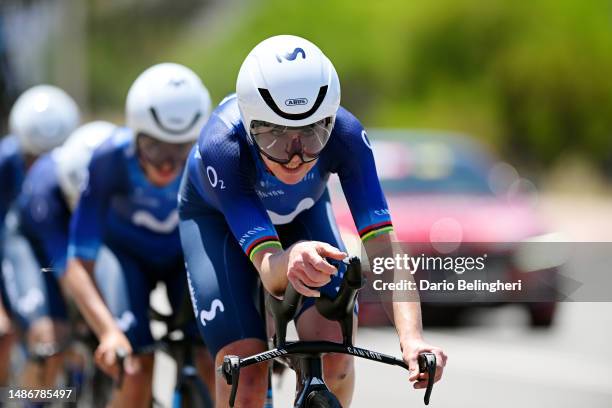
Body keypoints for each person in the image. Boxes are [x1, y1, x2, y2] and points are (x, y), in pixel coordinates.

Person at [178, 35, 448, 407]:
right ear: (249, 122)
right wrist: (292, 258)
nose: (295, 157)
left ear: (330, 120)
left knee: (335, 356)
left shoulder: (347, 134)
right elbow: (271, 270)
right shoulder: (222, 145)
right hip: (218, 223)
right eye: (275, 137)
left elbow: (383, 247)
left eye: (312, 133)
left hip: (302, 214)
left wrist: (412, 338)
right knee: (247, 374)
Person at [63, 63, 214, 408]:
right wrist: (108, 332)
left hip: (184, 257)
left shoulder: (211, 155)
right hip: (125, 259)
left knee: (214, 360)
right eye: (154, 148)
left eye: (182, 150)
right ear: (133, 135)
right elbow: (77, 265)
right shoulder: (108, 160)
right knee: (133, 368)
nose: (167, 165)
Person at [5, 121, 115, 391]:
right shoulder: (45, 186)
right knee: (49, 337)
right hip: (31, 245)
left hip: (81, 240)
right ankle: (34, 398)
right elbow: (69, 270)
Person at [0, 85, 79, 387]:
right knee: (43, 336)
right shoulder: (5, 162)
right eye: (34, 159)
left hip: (58, 248)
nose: (43, 170)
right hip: (21, 247)